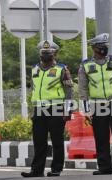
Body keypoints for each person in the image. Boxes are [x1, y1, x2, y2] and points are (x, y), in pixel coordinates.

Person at [78, 33, 112, 175]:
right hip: (97, 104)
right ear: (94, 48)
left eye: (105, 46)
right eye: (101, 47)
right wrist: (86, 111)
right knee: (101, 136)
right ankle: (104, 167)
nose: (104, 49)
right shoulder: (86, 65)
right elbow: (82, 89)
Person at [21, 40, 74, 178]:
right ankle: (37, 170)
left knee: (57, 140)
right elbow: (34, 89)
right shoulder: (34, 69)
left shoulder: (62, 69)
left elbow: (69, 91)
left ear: (54, 54)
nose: (45, 55)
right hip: (39, 109)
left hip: (56, 108)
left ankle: (56, 169)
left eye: (48, 53)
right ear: (40, 54)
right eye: (43, 53)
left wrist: (67, 110)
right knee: (39, 141)